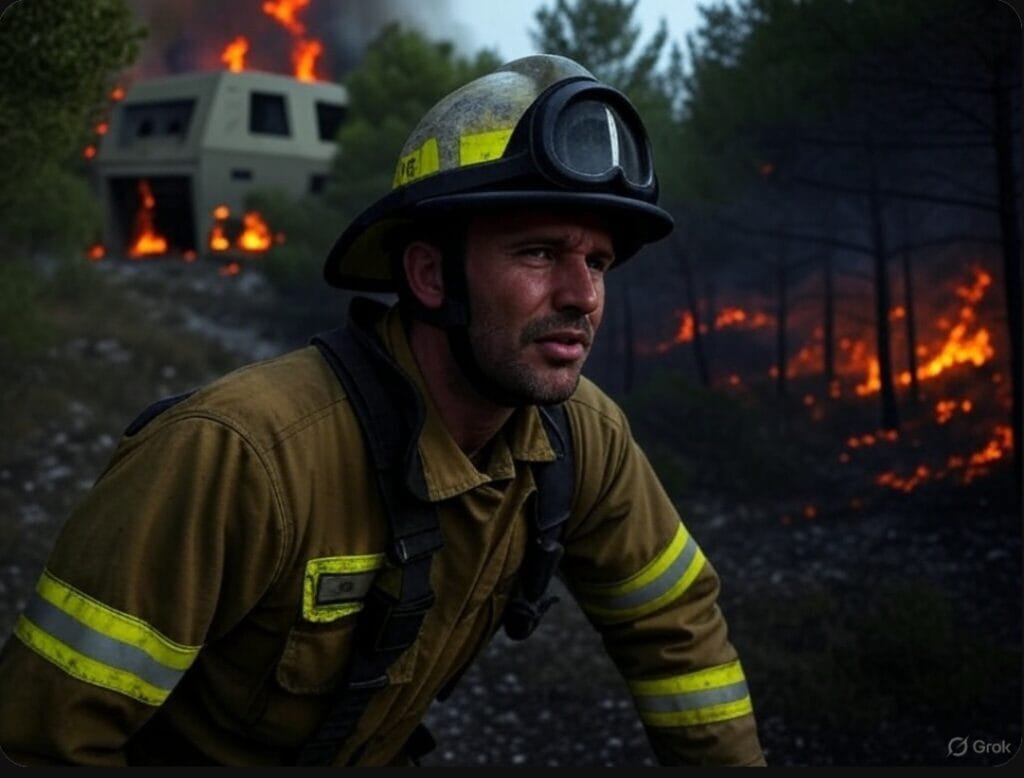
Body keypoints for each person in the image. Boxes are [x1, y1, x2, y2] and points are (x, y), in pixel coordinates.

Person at [0, 54, 765, 767]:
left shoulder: (581, 437)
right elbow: (43, 742)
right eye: (538, 252)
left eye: (597, 261)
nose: (582, 296)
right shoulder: (242, 455)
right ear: (430, 276)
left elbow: (679, 636)